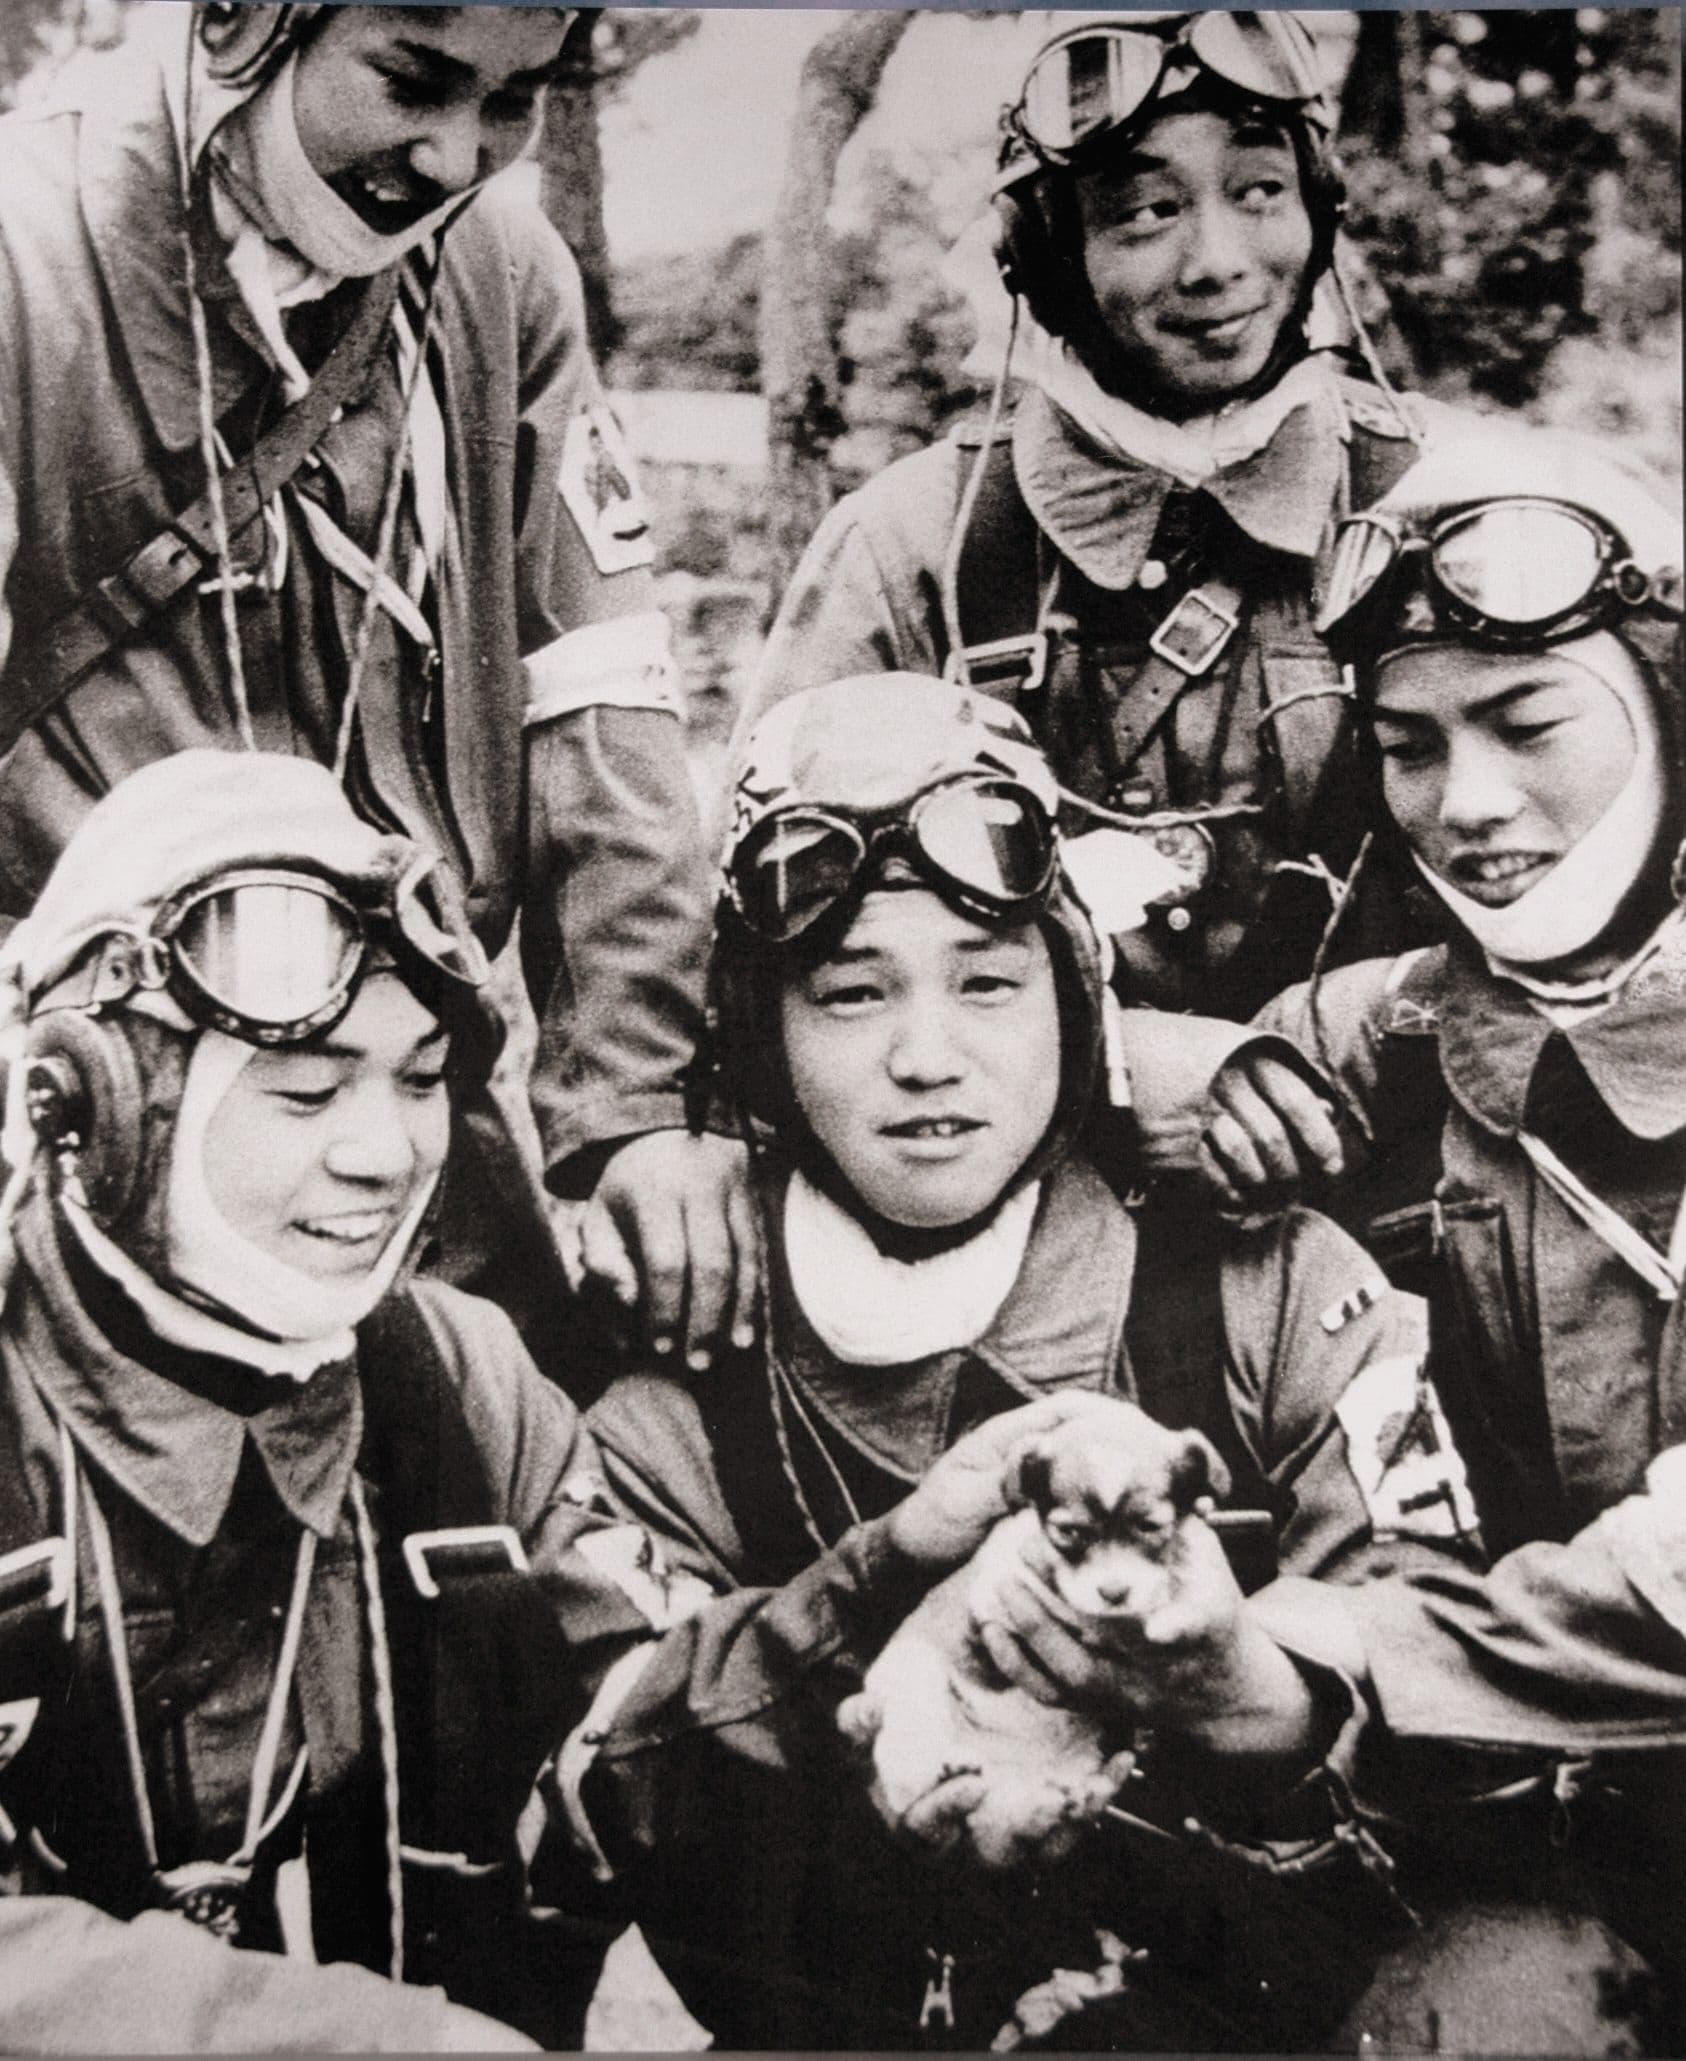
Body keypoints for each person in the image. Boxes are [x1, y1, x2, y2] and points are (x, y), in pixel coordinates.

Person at [0, 745, 1149, 2051]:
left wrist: (883, 1617)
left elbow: (628, 1737)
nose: (382, 1152)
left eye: (422, 1079)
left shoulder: (456, 1383)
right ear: (90, 1102)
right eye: (308, 1090)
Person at [560, 672, 1481, 2050]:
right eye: (850, 992)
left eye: (988, 983)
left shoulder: (1273, 1291)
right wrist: (863, 1598)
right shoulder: (678, 1368)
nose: (925, 1056)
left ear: (1076, 1003)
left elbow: (1452, 1687)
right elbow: (600, 1785)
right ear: (757, 1038)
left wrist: (1253, 1693)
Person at [0, 3, 753, 1386]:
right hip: (95, 1142)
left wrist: (633, 1106)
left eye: (516, 99)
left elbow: (601, 701)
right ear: (242, 20)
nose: (457, 152)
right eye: (412, 79)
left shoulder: (502, 274)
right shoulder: (21, 256)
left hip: (413, 1139)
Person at [1069, 433, 1686, 2046]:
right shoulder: (1370, 1039)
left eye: (1528, 721)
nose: (1470, 802)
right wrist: (1130, 1060)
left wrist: (1317, 1647)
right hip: (1534, 1869)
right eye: (1409, 744)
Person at [744, 13, 1463, 1034]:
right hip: (1015, 1166)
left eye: (1260, 191)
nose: (1217, 260)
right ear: (1044, 259)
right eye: (1146, 212)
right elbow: (782, 942)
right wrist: (1114, 1080)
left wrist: (1366, 1020)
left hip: (1402, 1151)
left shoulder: (1450, 499)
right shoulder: (912, 548)